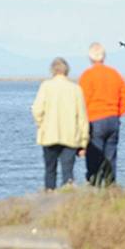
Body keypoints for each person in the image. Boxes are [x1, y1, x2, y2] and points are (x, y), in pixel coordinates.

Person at [79, 42, 125, 185]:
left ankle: (94, 187)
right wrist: (117, 113)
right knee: (110, 157)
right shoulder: (114, 74)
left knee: (94, 157)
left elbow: (81, 102)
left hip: (95, 120)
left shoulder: (87, 76)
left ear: (90, 58)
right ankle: (111, 188)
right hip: (112, 120)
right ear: (104, 57)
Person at [31, 57, 90, 190]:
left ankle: (49, 197)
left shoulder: (46, 86)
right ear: (67, 71)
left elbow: (36, 110)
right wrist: (84, 141)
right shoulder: (75, 89)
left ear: (52, 70)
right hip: (70, 137)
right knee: (68, 173)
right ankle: (67, 201)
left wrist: (42, 125)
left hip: (49, 136)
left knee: (50, 171)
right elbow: (82, 117)